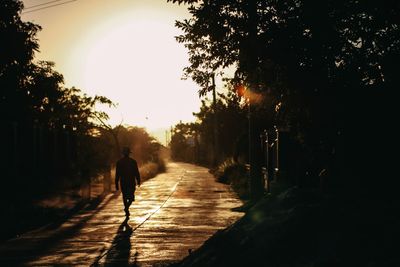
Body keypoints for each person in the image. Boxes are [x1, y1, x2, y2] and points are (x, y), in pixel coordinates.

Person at [115, 147, 141, 218]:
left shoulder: (120, 162)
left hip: (126, 182)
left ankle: (126, 208)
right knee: (129, 197)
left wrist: (116, 183)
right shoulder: (132, 162)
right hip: (129, 182)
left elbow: (117, 174)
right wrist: (138, 180)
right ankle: (126, 208)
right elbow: (136, 172)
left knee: (127, 197)